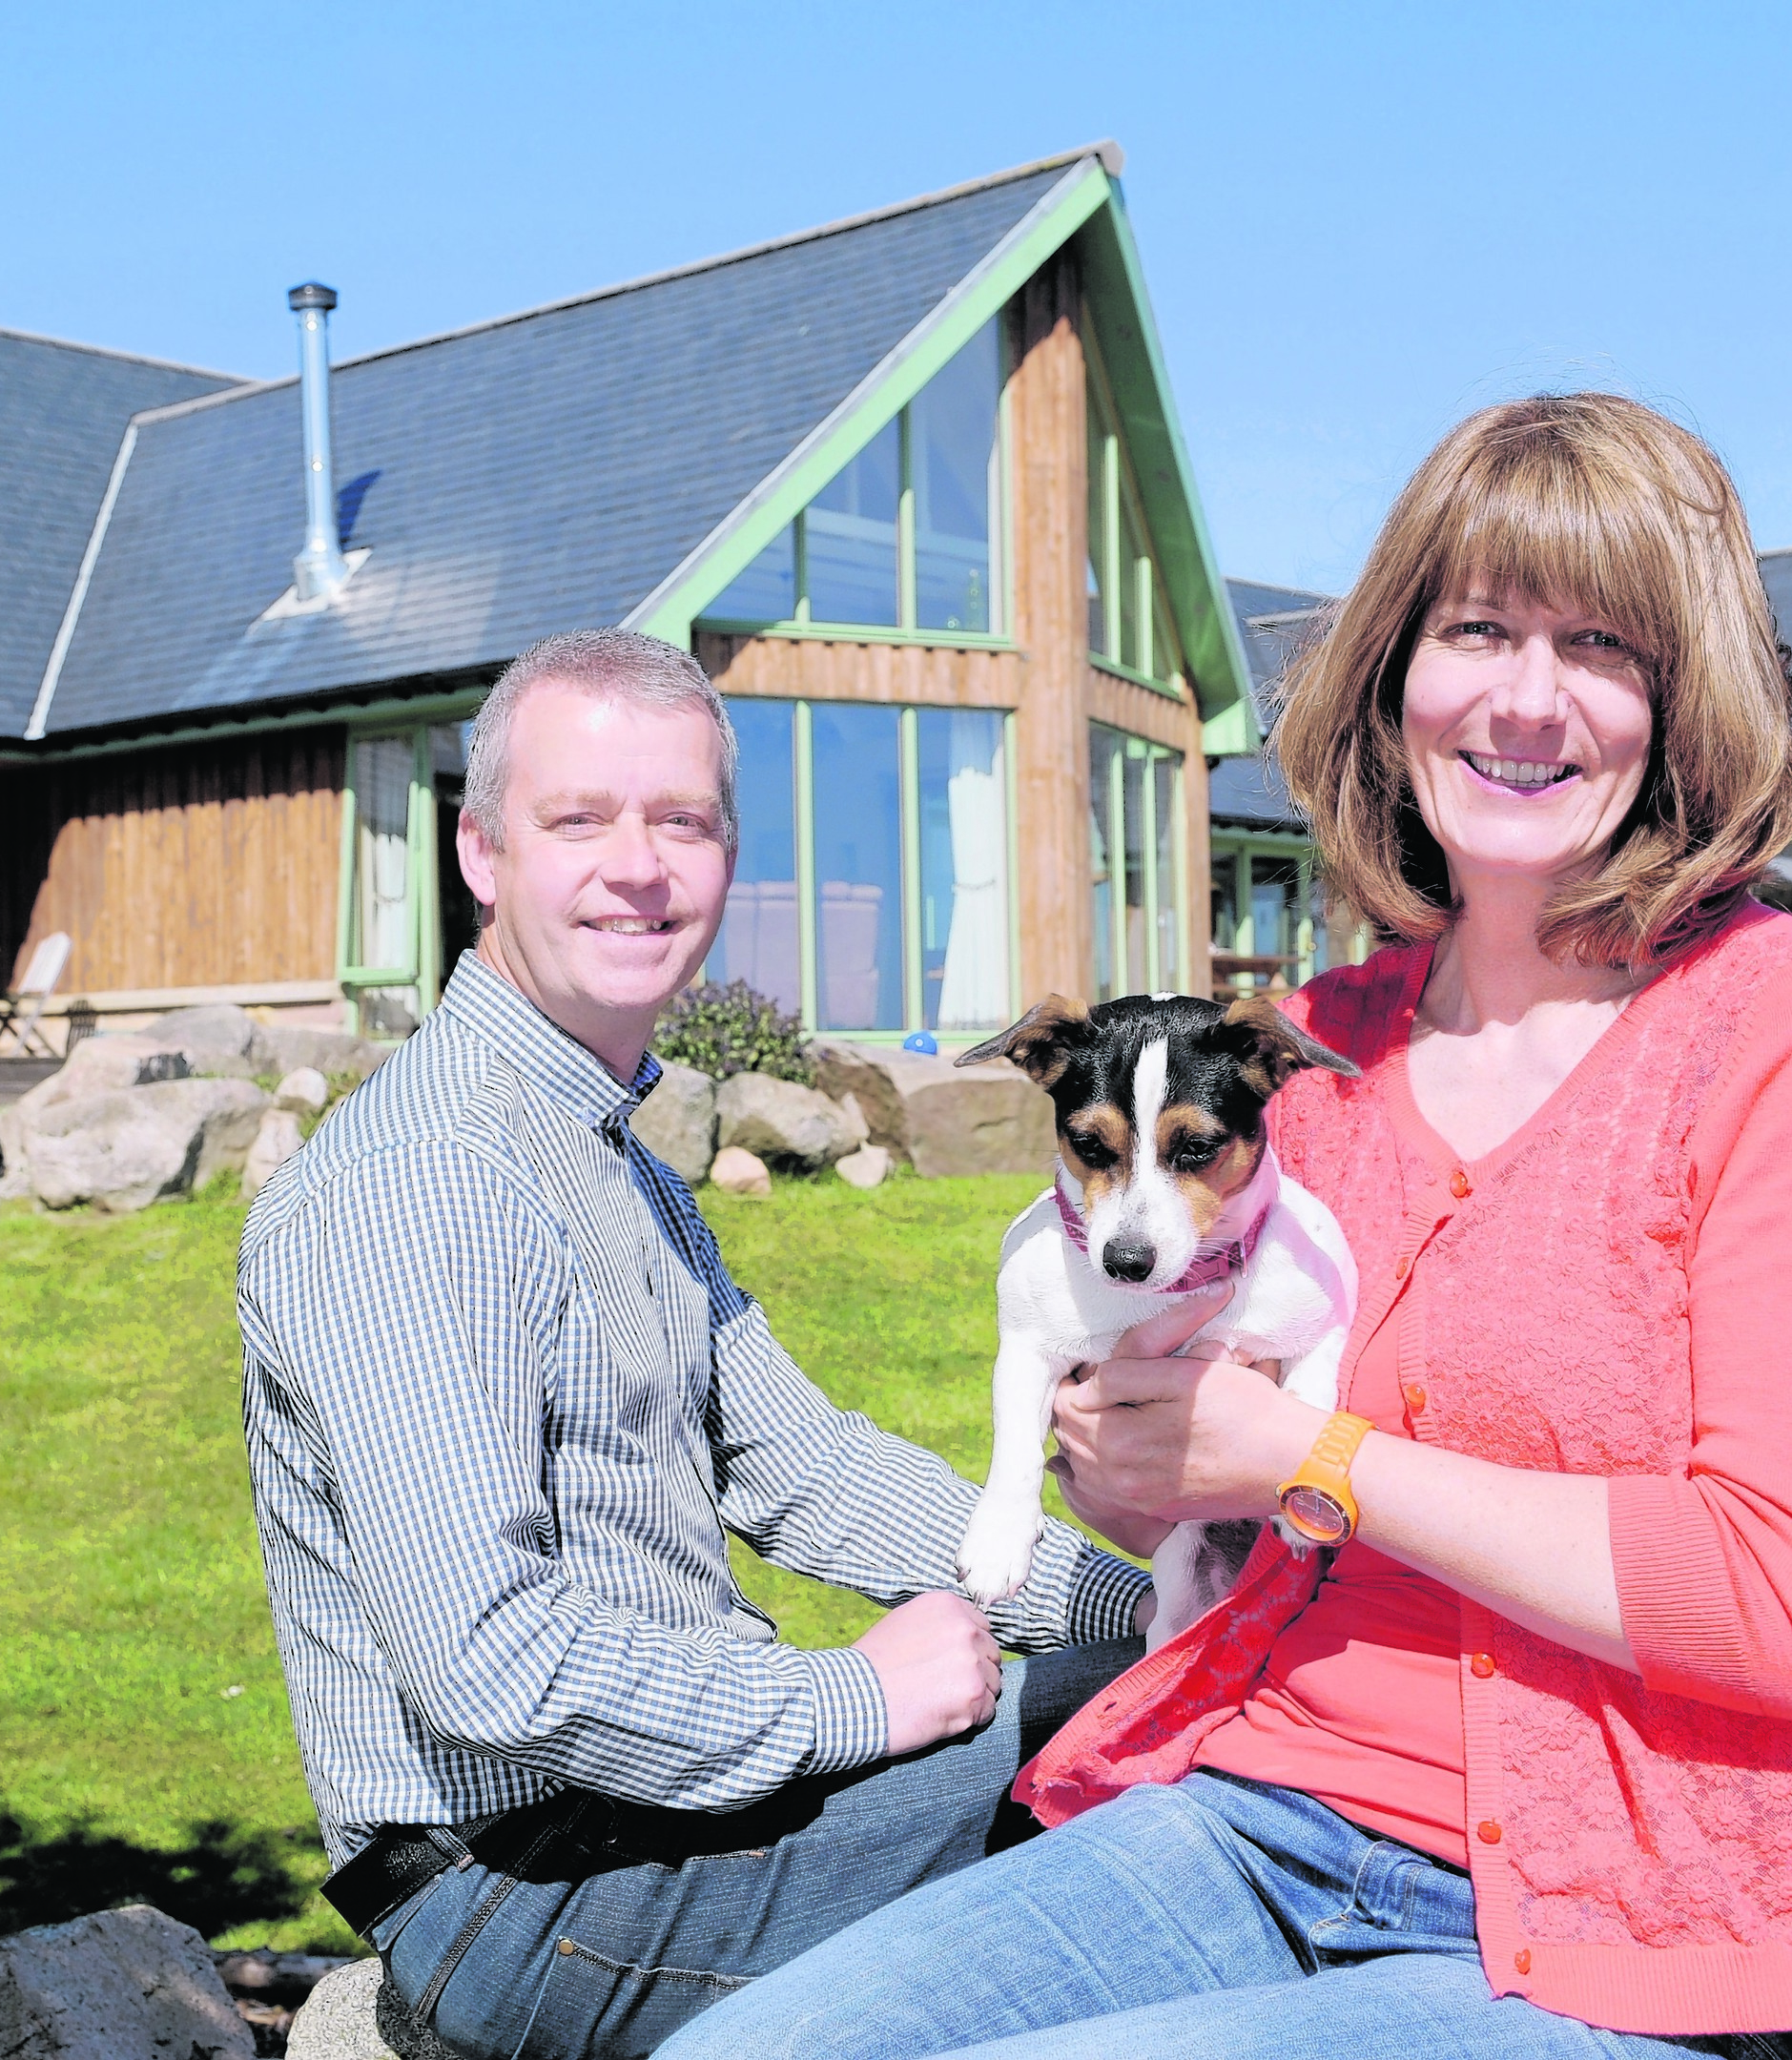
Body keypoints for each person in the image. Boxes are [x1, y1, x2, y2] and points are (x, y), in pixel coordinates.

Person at [660, 395, 1792, 2059]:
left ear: (1684, 694)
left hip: (1612, 1921)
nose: (1521, 696)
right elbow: (1196, 1475)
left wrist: (1298, 1458)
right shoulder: (1307, 1060)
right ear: (1392, 676)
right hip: (1251, 1812)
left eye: (1601, 645)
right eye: (1474, 627)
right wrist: (1126, 1461)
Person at [236, 628, 1150, 2060]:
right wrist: (855, 1697)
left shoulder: (604, 1152)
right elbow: (488, 1668)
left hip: (659, 1820)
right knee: (1175, 1769)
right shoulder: (427, 1180)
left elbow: (806, 1473)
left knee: (1175, 1689)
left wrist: (1158, 1614)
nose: (639, 865)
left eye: (683, 820)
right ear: (481, 855)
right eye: (579, 819)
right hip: (531, 1890)